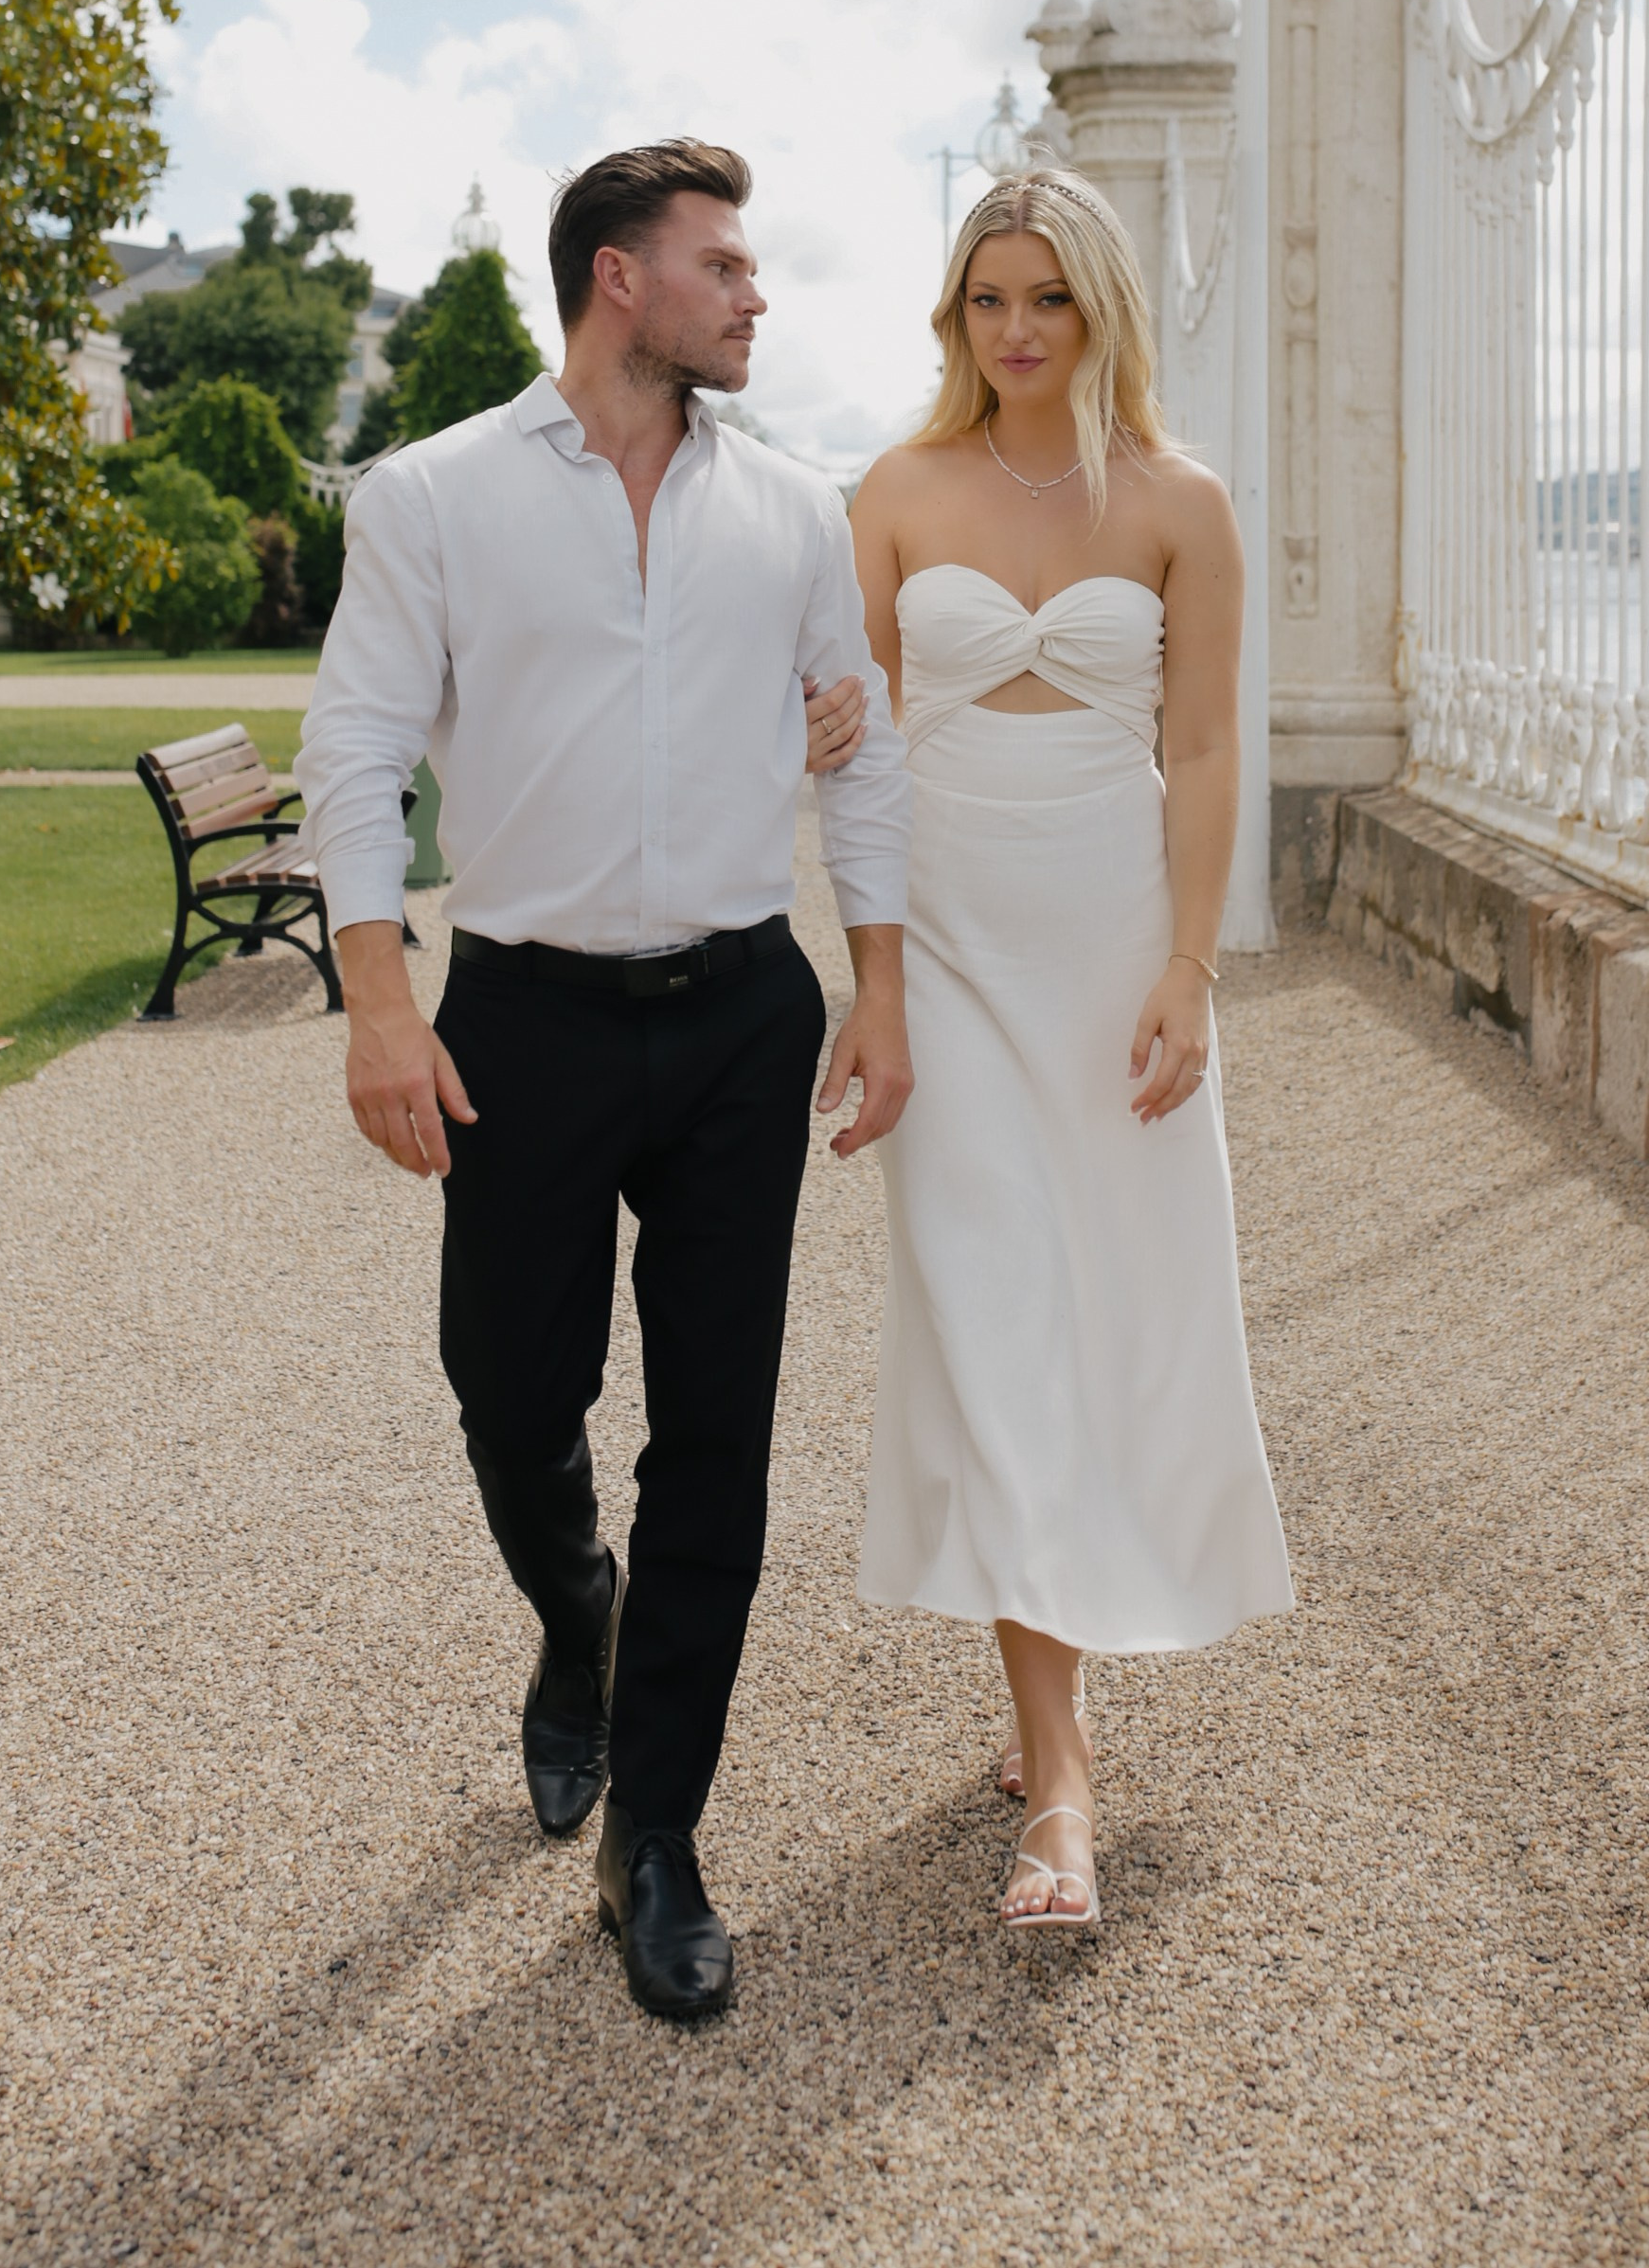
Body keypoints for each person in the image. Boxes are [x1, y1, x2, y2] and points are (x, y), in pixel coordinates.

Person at [296, 139, 912, 2022]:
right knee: (508, 1391)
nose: (751, 292)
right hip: (529, 1020)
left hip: (739, 1013)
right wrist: (377, 1003)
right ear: (615, 278)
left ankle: (659, 1830)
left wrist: (874, 981)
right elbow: (355, 750)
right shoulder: (434, 499)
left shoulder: (797, 510)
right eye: (719, 263)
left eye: (749, 266)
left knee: (715, 1435)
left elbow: (858, 747)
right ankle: (579, 1623)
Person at [845, 168, 1292, 1932]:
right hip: (947, 946)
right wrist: (869, 977)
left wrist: (1191, 961)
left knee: (1114, 1313)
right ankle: (1062, 1773)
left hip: (1111, 940)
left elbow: (1198, 754)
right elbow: (851, 748)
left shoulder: (1180, 501)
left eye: (1050, 300)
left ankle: (1063, 1670)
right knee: (992, 1311)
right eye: (987, 301)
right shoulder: (892, 489)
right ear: (956, 318)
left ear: (1105, 310)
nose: (1017, 333)